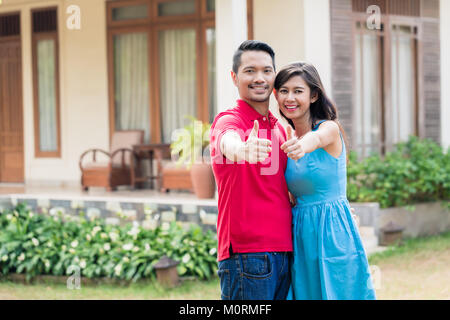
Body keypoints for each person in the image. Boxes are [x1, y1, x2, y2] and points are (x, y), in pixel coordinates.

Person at [273, 61, 376, 300]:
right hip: (300, 233)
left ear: (314, 95)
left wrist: (301, 145)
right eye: (284, 91)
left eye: (298, 91)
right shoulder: (284, 136)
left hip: (332, 230)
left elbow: (316, 140)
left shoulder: (328, 129)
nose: (290, 97)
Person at [209, 40, 292, 300]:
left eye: (267, 71)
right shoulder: (229, 119)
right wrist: (241, 149)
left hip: (283, 253)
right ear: (234, 77)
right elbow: (227, 140)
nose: (260, 78)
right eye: (250, 71)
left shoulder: (279, 128)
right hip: (248, 256)